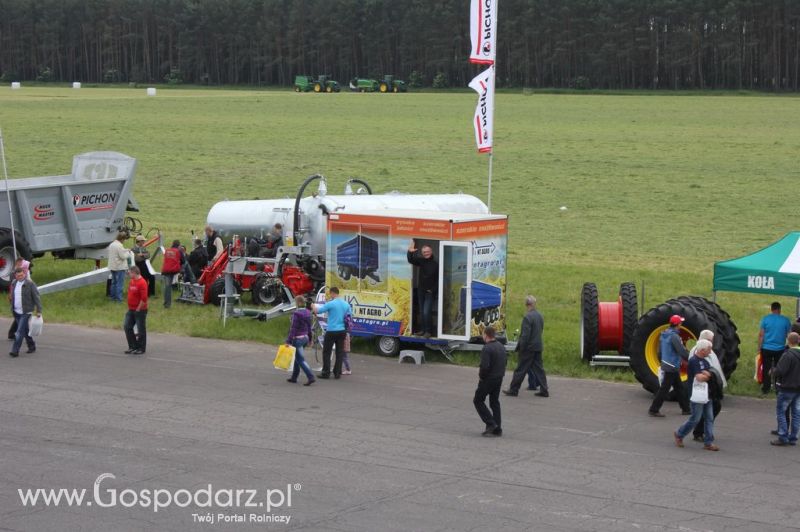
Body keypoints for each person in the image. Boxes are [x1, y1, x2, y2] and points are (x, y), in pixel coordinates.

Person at [673, 339, 719, 451]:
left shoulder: (706, 361)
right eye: (709, 349)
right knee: (695, 418)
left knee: (709, 418)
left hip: (707, 393)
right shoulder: (694, 361)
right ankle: (679, 434)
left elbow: (709, 374)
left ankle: (708, 442)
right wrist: (708, 375)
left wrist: (707, 375)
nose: (710, 351)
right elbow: (699, 377)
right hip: (696, 394)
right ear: (702, 350)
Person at [504, 295, 549, 397]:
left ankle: (514, 390)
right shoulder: (540, 316)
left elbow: (525, 335)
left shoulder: (527, 317)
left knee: (520, 369)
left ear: (527, 305)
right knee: (539, 369)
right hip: (538, 346)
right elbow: (540, 330)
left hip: (528, 348)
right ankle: (544, 389)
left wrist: (521, 348)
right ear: (534, 304)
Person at [648, 314, 691, 417]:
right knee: (664, 389)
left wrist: (662, 362)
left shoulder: (664, 334)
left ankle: (686, 409)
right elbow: (681, 351)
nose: (681, 323)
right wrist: (692, 358)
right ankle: (654, 409)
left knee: (679, 388)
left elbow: (660, 352)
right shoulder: (675, 336)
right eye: (681, 322)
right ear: (678, 324)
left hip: (667, 364)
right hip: (672, 365)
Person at [689, 330, 727, 442]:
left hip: (710, 387)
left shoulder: (708, 350)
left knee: (710, 411)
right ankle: (698, 433)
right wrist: (709, 375)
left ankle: (705, 433)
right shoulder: (699, 351)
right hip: (703, 388)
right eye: (711, 341)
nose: (712, 344)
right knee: (702, 413)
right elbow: (702, 372)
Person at [473, 326, 507, 437]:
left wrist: (481, 377)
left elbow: (485, 366)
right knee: (494, 402)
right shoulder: (501, 346)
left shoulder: (487, 348)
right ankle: (498, 428)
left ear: (486, 335)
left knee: (478, 400)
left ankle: (491, 423)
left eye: (483, 334)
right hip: (499, 377)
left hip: (488, 379)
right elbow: (505, 362)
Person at [313, 287, 351, 379]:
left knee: (327, 352)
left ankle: (326, 373)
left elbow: (318, 311)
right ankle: (337, 373)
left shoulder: (330, 303)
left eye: (330, 294)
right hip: (342, 331)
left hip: (331, 330)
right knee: (339, 352)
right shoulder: (346, 305)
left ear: (332, 293)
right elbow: (349, 317)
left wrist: (312, 306)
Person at [770, 331, 800, 446]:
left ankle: (783, 436)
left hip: (787, 388)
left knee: (781, 412)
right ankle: (793, 437)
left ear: (788, 341)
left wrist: (772, 371)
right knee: (796, 414)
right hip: (798, 389)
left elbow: (780, 371)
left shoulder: (788, 355)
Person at [758, 302, 792, 395]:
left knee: (766, 368)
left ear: (771, 309)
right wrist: (789, 347)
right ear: (779, 309)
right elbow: (789, 335)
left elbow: (761, 335)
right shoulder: (786, 320)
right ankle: (778, 388)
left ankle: (766, 388)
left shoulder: (765, 319)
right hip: (780, 349)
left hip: (766, 348)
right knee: (779, 368)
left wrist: (759, 347)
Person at [8, 267, 42, 358]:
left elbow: (37, 297)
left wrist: (39, 310)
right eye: (18, 275)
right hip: (16, 311)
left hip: (26, 312)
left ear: (24, 274)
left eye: (22, 275)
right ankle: (32, 346)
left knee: (19, 332)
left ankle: (15, 351)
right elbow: (13, 295)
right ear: (15, 276)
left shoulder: (30, 284)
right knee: (25, 330)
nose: (20, 277)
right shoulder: (14, 283)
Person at [406, 240, 438, 338]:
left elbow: (439, 279)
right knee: (421, 311)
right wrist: (410, 252)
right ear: (422, 253)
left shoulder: (436, 264)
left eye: (427, 252)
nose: (426, 253)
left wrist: (432, 290)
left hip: (430, 292)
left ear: (431, 251)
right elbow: (410, 260)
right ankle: (423, 330)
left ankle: (428, 331)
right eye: (424, 252)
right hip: (421, 290)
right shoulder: (422, 261)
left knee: (426, 312)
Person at [286, 295, 315, 386]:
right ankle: (294, 377)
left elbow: (293, 329)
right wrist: (310, 339)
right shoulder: (308, 312)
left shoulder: (296, 314)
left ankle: (310, 376)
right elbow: (310, 328)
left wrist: (288, 341)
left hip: (297, 339)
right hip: (305, 337)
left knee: (300, 359)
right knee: (297, 358)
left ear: (298, 303)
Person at [124, 266, 148, 355]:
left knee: (141, 329)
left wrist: (138, 309)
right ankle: (132, 346)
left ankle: (141, 348)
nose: (128, 274)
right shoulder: (132, 281)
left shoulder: (142, 282)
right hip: (131, 309)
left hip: (140, 310)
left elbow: (144, 298)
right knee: (127, 326)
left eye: (129, 273)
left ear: (134, 272)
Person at [7, 257, 31, 340]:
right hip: (16, 298)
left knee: (20, 316)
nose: (22, 266)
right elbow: (12, 286)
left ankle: (12, 333)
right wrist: (10, 295)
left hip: (22, 297)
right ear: (17, 264)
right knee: (21, 316)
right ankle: (22, 334)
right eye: (21, 264)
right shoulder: (14, 273)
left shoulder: (23, 272)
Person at [107, 231, 130, 302]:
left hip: (112, 266)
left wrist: (126, 250)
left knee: (114, 283)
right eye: (124, 239)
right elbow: (123, 256)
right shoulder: (120, 245)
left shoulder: (112, 244)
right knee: (120, 284)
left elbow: (118, 252)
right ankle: (119, 299)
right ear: (122, 239)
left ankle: (113, 297)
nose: (124, 241)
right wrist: (128, 253)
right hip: (119, 267)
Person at [160, 240, 183, 308]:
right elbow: (183, 260)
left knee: (167, 287)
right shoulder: (178, 251)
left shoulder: (167, 250)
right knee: (168, 287)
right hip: (173, 270)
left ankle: (166, 303)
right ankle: (168, 304)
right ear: (178, 246)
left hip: (165, 270)